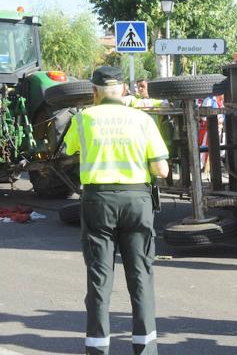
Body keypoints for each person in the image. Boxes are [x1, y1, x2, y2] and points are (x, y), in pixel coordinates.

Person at [64, 66, 169, 355]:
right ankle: (145, 348)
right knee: (141, 276)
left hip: (98, 202)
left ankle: (97, 349)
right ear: (123, 90)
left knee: (99, 278)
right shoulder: (142, 119)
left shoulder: (83, 118)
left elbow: (68, 151)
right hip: (137, 201)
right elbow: (161, 168)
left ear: (94, 92)